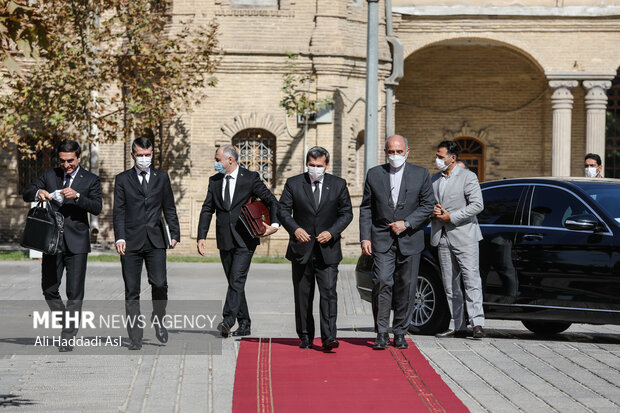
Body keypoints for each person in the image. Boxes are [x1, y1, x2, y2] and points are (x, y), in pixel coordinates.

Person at [23, 139, 102, 352]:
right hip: (51, 242)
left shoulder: (90, 180)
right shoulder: (51, 175)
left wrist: (77, 196)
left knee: (74, 292)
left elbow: (96, 207)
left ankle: (67, 337)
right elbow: (27, 191)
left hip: (77, 243)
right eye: (62, 161)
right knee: (49, 289)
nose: (66, 165)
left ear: (79, 158)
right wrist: (37, 193)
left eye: (70, 161)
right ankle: (69, 322)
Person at [359, 135, 435, 350]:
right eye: (391, 152)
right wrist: (365, 236)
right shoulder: (375, 174)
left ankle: (400, 331)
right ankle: (382, 332)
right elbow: (366, 207)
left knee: (407, 286)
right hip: (382, 238)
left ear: (407, 152)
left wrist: (408, 223)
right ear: (385, 152)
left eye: (399, 152)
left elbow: (428, 205)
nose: (395, 156)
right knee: (382, 281)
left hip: (410, 239)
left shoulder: (420, 174)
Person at [197, 144, 280, 338]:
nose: (216, 163)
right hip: (224, 239)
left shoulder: (250, 178)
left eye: (218, 160)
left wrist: (274, 225)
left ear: (230, 160)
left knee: (236, 279)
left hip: (245, 238)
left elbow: (271, 200)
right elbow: (207, 209)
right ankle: (245, 323)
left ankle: (228, 320)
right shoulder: (215, 181)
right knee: (234, 282)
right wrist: (202, 236)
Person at [278, 147, 353, 351]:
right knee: (303, 294)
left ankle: (329, 337)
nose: (315, 169)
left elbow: (346, 213)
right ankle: (305, 335)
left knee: (329, 293)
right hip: (301, 250)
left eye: (319, 166)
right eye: (311, 165)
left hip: (327, 250)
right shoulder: (294, 184)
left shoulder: (338, 185)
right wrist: (295, 229)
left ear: (326, 165)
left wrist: (332, 232)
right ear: (307, 163)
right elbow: (283, 211)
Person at [113, 136, 180, 350]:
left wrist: (175, 232)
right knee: (131, 290)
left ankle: (159, 319)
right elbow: (119, 211)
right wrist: (120, 236)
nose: (144, 159)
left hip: (155, 239)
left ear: (152, 154)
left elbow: (169, 206)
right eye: (140, 155)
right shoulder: (122, 179)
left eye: (148, 155)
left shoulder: (161, 177)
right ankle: (135, 337)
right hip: (130, 242)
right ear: (133, 155)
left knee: (159, 283)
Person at [431, 140, 485, 339]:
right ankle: (457, 324)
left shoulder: (467, 177)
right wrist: (433, 211)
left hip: (464, 235)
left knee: (471, 279)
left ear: (452, 158)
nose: (437, 160)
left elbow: (477, 205)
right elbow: (428, 203)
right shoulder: (434, 179)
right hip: (442, 236)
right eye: (436, 156)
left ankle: (477, 323)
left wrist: (451, 216)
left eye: (440, 156)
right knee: (449, 284)